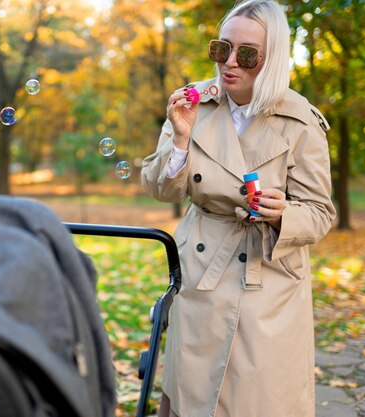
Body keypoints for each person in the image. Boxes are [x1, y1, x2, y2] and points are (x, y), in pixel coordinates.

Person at [140, 1, 337, 416]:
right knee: (194, 390)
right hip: (202, 267)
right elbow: (160, 188)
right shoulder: (192, 103)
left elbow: (320, 212)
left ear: (273, 59)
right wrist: (179, 138)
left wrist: (284, 212)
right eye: (221, 48)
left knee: (260, 397)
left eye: (247, 54)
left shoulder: (301, 121)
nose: (229, 62)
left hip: (270, 277)